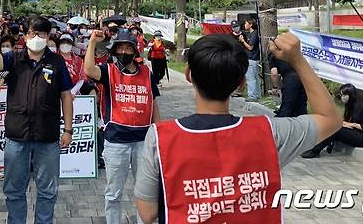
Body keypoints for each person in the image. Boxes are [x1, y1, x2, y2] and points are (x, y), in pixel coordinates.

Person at [134, 32, 342, 224]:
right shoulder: (269, 133)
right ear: (241, 84)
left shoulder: (161, 138)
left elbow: (147, 212)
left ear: (189, 75)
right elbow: (330, 119)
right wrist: (298, 60)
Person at [0, 15, 74, 224]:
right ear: (25, 34)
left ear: (48, 35)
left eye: (40, 33)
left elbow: (66, 95)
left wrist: (68, 130)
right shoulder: (13, 58)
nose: (35, 37)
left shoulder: (56, 61)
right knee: (14, 189)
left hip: (47, 136)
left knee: (48, 190)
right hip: (16, 135)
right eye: (31, 32)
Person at [84, 29, 160, 224]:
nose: (124, 52)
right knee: (113, 193)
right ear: (114, 51)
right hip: (116, 141)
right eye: (120, 48)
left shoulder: (146, 73)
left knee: (146, 192)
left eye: (128, 48)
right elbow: (88, 70)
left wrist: (160, 134)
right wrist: (92, 43)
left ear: (135, 52)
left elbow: (154, 103)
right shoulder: (108, 71)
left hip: (143, 141)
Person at [302, 83, 363, 158]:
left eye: (344, 95)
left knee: (337, 129)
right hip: (352, 132)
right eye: (341, 95)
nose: (342, 97)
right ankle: (313, 147)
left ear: (351, 95)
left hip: (362, 137)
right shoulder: (350, 105)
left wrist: (352, 125)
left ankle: (315, 151)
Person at [268, 50, 308, 117]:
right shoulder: (292, 50)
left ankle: (282, 125)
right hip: (302, 76)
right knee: (301, 106)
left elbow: (274, 73)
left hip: (290, 78)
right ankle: (304, 125)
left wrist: (275, 87)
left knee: (287, 106)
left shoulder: (273, 54)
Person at [238, 18, 261, 101]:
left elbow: (250, 47)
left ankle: (252, 96)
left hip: (252, 58)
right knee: (255, 77)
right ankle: (257, 94)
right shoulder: (251, 34)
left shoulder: (254, 34)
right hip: (252, 58)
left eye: (246, 23)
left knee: (250, 78)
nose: (244, 25)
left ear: (251, 25)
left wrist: (243, 41)